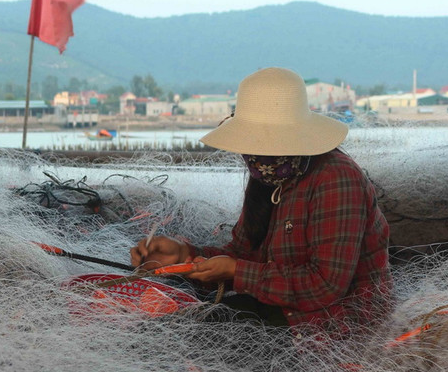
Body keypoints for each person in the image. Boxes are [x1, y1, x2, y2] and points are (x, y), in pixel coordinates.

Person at [131, 67, 391, 333]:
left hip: (335, 325)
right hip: (278, 308)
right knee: (168, 321)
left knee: (193, 333)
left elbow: (325, 286)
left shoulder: (336, 178)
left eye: (267, 141)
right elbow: (242, 253)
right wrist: (185, 255)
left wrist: (236, 271)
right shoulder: (269, 174)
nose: (255, 153)